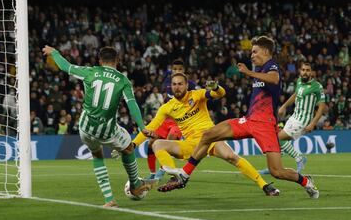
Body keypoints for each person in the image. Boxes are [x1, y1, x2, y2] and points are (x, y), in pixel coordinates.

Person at [163, 36, 319, 199]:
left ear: (265, 52)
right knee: (209, 135)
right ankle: (185, 175)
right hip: (249, 120)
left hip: (265, 125)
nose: (251, 55)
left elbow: (274, 79)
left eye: (254, 52)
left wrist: (247, 72)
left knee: (277, 172)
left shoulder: (271, 65)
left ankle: (306, 181)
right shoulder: (259, 70)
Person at [132, 64, 279, 196]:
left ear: (186, 85)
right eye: (174, 84)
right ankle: (176, 175)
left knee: (232, 157)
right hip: (191, 145)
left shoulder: (197, 95)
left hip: (211, 139)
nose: (177, 87)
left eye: (180, 84)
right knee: (157, 144)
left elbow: (219, 94)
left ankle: (264, 185)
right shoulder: (167, 107)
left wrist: (216, 87)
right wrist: (132, 145)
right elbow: (151, 127)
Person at [42, 45, 156, 207]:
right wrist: (142, 127)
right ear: (117, 61)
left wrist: (54, 52)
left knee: (97, 155)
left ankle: (109, 199)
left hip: (85, 127)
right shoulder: (123, 81)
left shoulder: (90, 72)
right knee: (129, 149)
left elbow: (66, 66)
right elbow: (132, 104)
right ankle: (135, 185)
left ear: (100, 61)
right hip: (107, 130)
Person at [259, 62, 326, 174]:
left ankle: (299, 158)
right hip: (294, 117)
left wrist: (313, 123)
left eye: (307, 70)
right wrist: (284, 106)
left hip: (303, 120)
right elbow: (295, 95)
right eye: (303, 70)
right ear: (300, 71)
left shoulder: (317, 87)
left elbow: (321, 108)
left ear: (311, 72)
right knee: (277, 141)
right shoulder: (299, 81)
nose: (305, 72)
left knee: (277, 138)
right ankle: (274, 167)